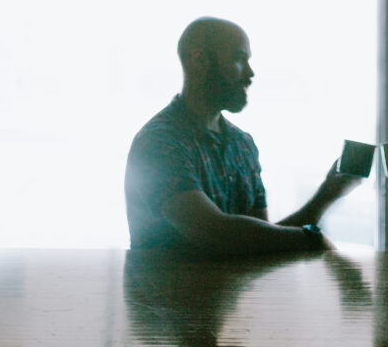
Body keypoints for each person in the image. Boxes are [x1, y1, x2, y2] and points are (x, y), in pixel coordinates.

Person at [124, 17, 360, 255]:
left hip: (230, 294)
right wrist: (311, 238)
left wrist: (326, 195)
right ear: (199, 60)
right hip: (167, 294)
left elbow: (258, 239)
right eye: (239, 59)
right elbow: (217, 234)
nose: (250, 73)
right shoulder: (159, 142)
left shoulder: (242, 144)